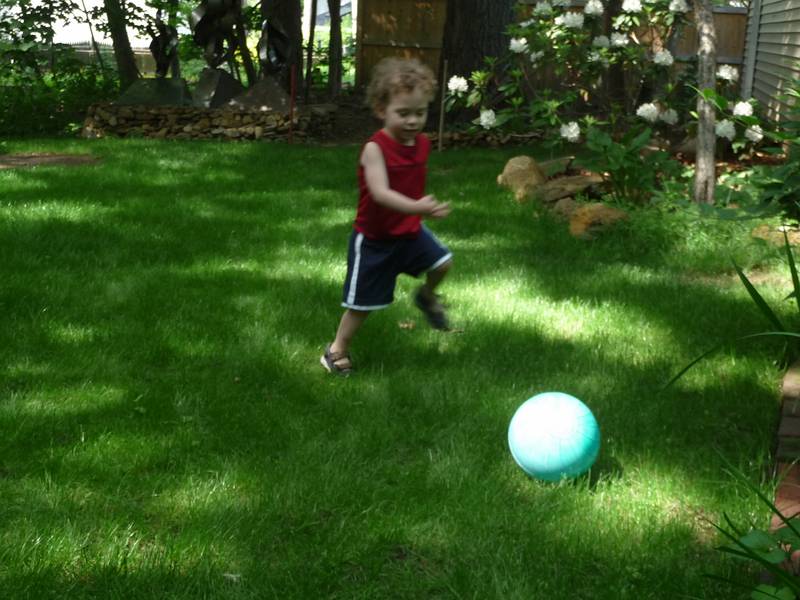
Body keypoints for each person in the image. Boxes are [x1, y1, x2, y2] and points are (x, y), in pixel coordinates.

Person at [321, 57, 453, 375]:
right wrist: (419, 207)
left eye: (419, 113)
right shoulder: (374, 149)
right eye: (403, 113)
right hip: (375, 240)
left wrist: (420, 213)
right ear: (382, 110)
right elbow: (380, 193)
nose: (412, 121)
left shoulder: (421, 144)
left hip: (408, 232)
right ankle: (336, 350)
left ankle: (426, 297)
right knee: (362, 305)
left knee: (443, 263)